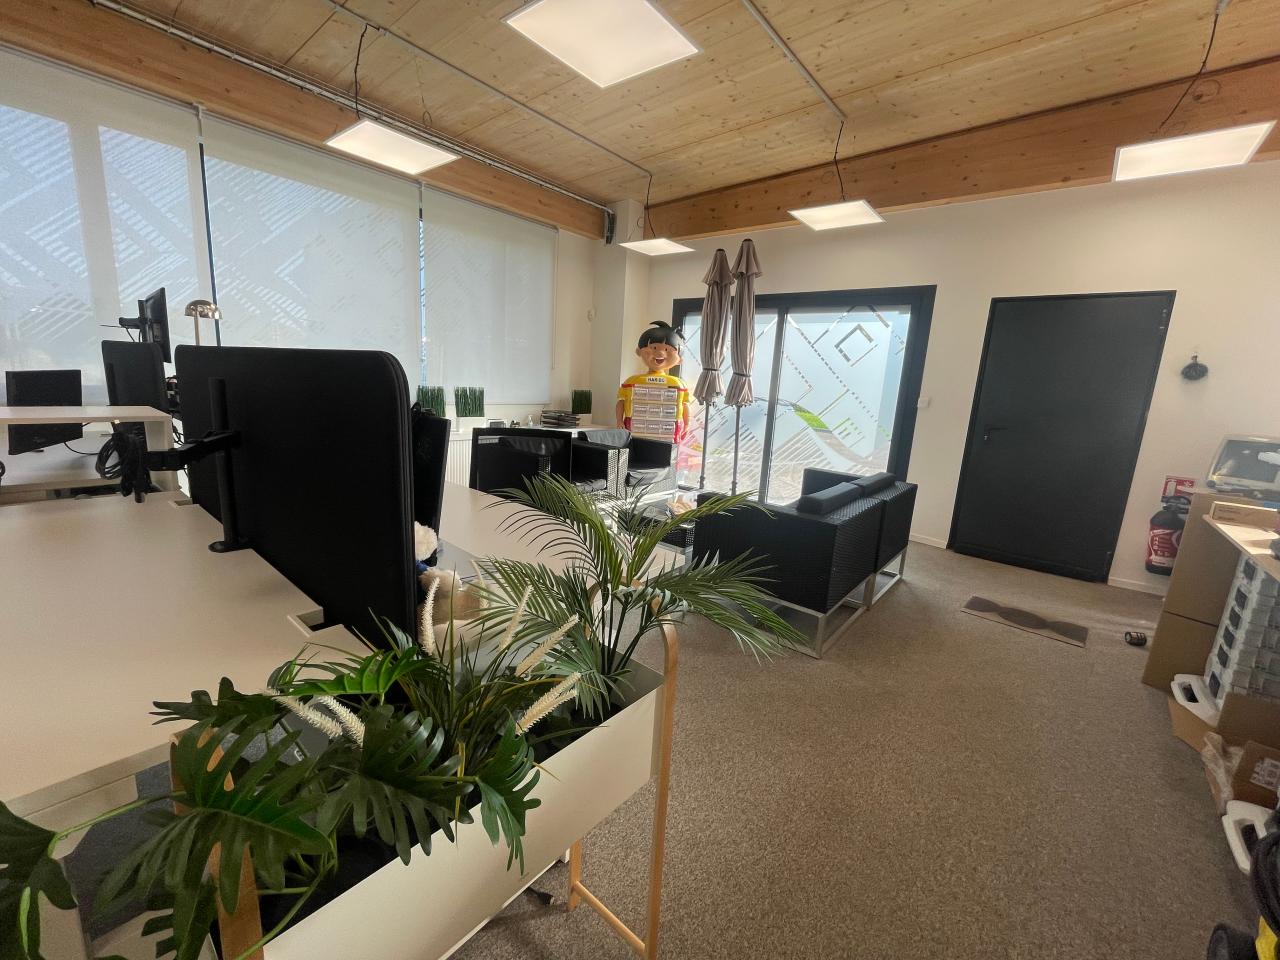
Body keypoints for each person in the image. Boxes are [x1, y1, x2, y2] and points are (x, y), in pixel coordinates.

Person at [616, 321, 691, 444]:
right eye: (654, 348)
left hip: (667, 436)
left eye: (667, 349)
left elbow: (684, 405)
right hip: (634, 433)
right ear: (639, 351)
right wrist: (619, 421)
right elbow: (621, 402)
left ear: (679, 360)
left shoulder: (678, 385)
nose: (660, 353)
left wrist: (687, 424)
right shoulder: (631, 382)